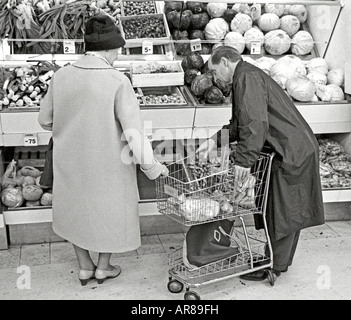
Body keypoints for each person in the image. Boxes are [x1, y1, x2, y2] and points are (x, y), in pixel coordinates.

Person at [38, 15, 168, 286]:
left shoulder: (61, 75)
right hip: (108, 162)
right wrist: (151, 166)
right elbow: (133, 133)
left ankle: (85, 266)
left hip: (70, 159)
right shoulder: (117, 81)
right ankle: (104, 267)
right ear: (111, 48)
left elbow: (45, 120)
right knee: (108, 210)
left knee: (74, 210)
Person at [197, 46, 325, 281]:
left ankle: (273, 266)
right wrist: (214, 140)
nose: (215, 79)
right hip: (292, 147)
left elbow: (255, 124)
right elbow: (240, 123)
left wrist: (244, 162)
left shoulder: (247, 77)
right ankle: (275, 262)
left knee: (282, 211)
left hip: (290, 151)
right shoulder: (246, 75)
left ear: (225, 62)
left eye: (215, 72)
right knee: (281, 208)